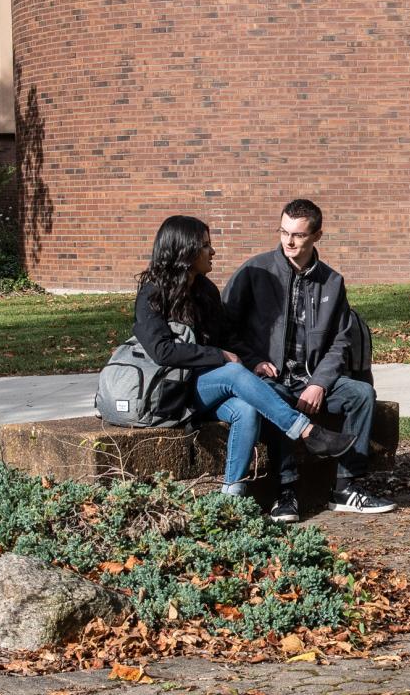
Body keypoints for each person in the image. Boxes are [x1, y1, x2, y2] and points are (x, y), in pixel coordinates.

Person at [131, 215, 358, 501]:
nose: (212, 251)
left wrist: (253, 361)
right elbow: (162, 351)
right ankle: (307, 431)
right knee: (232, 372)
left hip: (206, 391)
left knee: (245, 410)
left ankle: (231, 497)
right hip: (172, 392)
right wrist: (220, 355)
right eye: (205, 245)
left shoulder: (205, 290)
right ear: (185, 250)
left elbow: (227, 336)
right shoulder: (152, 292)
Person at [223, 198, 396, 522]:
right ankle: (286, 491)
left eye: (298, 235)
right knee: (275, 397)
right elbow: (225, 328)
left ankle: (347, 487)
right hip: (269, 379)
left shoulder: (332, 282)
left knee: (361, 394)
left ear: (316, 235)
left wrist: (319, 383)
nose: (289, 241)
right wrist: (253, 360)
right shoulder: (254, 272)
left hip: (312, 379)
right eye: (284, 232)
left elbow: (340, 341)